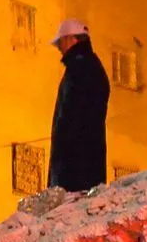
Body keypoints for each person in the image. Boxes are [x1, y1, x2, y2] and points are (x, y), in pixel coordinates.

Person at [47, 18, 110, 193]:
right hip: (88, 166)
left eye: (60, 42)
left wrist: (61, 165)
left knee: (71, 204)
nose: (59, 48)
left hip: (74, 169)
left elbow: (70, 119)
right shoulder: (91, 66)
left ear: (70, 39)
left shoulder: (79, 68)